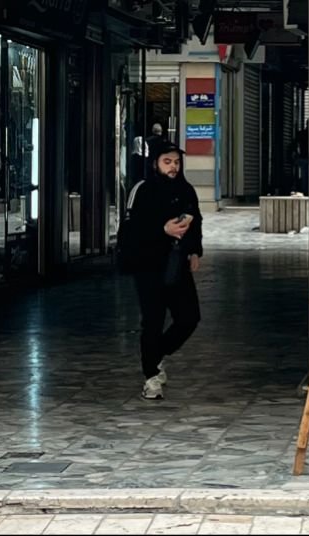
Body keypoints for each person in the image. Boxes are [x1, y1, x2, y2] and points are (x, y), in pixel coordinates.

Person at [126, 140, 203, 400]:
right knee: (153, 321)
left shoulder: (185, 189)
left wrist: (194, 250)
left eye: (176, 162)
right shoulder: (143, 190)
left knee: (189, 317)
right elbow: (129, 230)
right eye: (167, 162)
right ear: (155, 163)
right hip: (148, 265)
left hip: (177, 263)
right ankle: (150, 377)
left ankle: (156, 354)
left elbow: (196, 221)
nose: (173, 167)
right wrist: (162, 229)